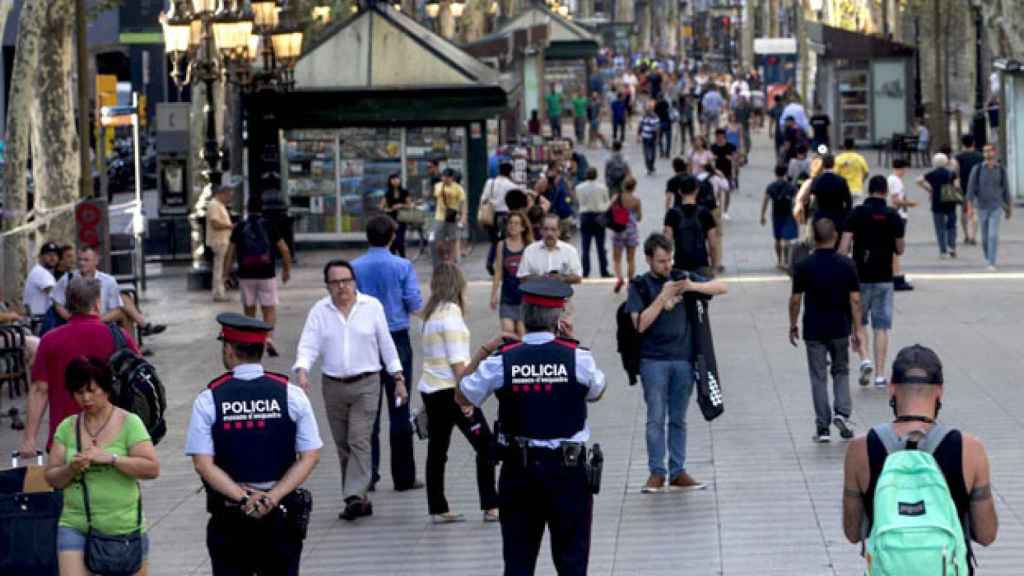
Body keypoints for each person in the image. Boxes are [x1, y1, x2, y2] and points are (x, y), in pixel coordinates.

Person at [456, 278, 606, 576]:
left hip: (519, 473)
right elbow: (596, 391)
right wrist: (569, 344)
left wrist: (485, 350)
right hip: (567, 473)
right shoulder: (578, 358)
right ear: (559, 318)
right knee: (572, 562)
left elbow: (461, 395)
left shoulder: (503, 360)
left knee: (519, 562)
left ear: (523, 315)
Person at [842, 345, 998, 573]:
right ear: (939, 392)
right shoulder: (971, 449)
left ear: (892, 389)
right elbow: (986, 535)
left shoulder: (859, 449)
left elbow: (853, 532)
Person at [186, 313, 322, 575]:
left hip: (230, 517)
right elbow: (310, 456)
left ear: (228, 349)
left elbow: (203, 464)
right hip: (280, 515)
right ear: (262, 348)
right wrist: (272, 496)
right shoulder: (291, 394)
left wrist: (244, 498)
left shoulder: (209, 398)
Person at [293, 260, 403, 521]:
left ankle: (352, 495)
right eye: (335, 282)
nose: (342, 286)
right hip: (333, 385)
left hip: (367, 383)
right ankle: (360, 499)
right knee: (343, 444)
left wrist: (397, 375)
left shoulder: (371, 307)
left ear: (354, 282)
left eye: (346, 280)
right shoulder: (320, 311)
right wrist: (302, 370)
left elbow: (386, 344)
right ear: (328, 286)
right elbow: (309, 344)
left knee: (359, 439)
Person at [628, 233, 727, 493]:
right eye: (661, 261)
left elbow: (721, 287)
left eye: (669, 259)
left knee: (679, 418)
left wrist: (691, 287)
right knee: (655, 418)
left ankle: (678, 469)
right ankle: (656, 472)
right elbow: (639, 324)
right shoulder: (640, 285)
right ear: (648, 259)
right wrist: (662, 298)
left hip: (683, 360)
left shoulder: (682, 277)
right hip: (653, 362)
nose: (667, 266)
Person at [45, 356, 160, 576]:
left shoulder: (130, 422)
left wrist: (113, 458)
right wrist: (71, 468)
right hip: (75, 522)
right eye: (79, 393)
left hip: (123, 527)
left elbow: (151, 468)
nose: (86, 398)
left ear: (106, 389)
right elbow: (51, 477)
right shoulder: (67, 427)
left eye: (92, 391)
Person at [18, 277, 140, 458]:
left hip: (66, 443)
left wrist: (29, 439)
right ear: (97, 304)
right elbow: (139, 379)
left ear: (68, 306)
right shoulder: (118, 337)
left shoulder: (50, 340)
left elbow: (39, 390)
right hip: (115, 441)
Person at [419, 263, 500, 524]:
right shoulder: (451, 315)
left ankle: (437, 507)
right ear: (458, 286)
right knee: (486, 445)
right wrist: (466, 398)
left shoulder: (430, 315)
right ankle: (491, 505)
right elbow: (458, 363)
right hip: (452, 391)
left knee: (437, 450)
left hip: (431, 390)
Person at [352, 216, 424, 493]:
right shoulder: (403, 265)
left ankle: (368, 474)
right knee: (399, 405)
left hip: (365, 340)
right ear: (393, 237)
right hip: (396, 338)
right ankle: (404, 476)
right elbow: (414, 301)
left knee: (367, 408)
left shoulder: (355, 268)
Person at [789, 218, 865, 443]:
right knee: (841, 371)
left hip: (813, 329)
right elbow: (855, 299)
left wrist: (793, 324)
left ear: (814, 236)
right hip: (840, 328)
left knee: (818, 376)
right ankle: (842, 413)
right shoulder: (847, 265)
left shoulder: (804, 265)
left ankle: (822, 428)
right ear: (835, 237)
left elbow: (795, 299)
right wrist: (857, 329)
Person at [840, 176, 905, 387]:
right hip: (884, 278)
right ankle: (879, 375)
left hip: (859, 277)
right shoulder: (893, 215)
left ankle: (865, 358)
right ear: (885, 192)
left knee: (858, 322)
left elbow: (844, 247)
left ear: (869, 191)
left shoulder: (857, 213)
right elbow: (900, 249)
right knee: (881, 327)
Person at [51, 246, 165, 345]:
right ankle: (134, 346)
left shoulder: (108, 281)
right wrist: (69, 318)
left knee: (125, 308)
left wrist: (97, 320)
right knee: (125, 308)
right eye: (80, 259)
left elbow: (115, 309)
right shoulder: (68, 278)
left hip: (101, 319)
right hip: (76, 321)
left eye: (86, 260)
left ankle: (131, 349)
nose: (81, 263)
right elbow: (57, 303)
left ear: (96, 261)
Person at [225, 195, 292, 357]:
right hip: (266, 274)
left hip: (246, 274)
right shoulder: (269, 225)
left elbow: (230, 252)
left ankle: (251, 340)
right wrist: (286, 270)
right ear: (262, 208)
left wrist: (225, 273)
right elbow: (284, 249)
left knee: (249, 310)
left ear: (247, 209)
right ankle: (267, 339)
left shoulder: (240, 227)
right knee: (268, 309)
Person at [966, 143, 1013, 270]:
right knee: (985, 237)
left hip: (996, 206)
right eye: (984, 151)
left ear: (994, 152)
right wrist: (969, 208)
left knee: (993, 235)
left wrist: (1009, 208)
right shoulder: (977, 169)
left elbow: (1006, 190)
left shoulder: (1001, 169)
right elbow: (970, 190)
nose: (987, 154)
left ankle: (991, 262)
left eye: (989, 151)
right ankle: (988, 257)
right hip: (982, 207)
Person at [663, 174, 717, 276]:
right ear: (696, 191)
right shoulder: (705, 213)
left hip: (680, 264)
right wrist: (713, 267)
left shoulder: (672, 213)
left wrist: (667, 265)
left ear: (679, 192)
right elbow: (713, 244)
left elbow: (667, 241)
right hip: (701, 264)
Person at [491, 211, 533, 338]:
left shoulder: (529, 246)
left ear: (523, 227)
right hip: (507, 297)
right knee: (508, 332)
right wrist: (494, 294)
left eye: (516, 223)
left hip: (524, 298)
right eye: (510, 223)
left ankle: (521, 358)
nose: (512, 226)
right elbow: (498, 271)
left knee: (522, 333)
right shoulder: (501, 245)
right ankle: (510, 356)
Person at [518, 213, 583, 287]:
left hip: (562, 297)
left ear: (559, 231)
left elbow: (578, 278)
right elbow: (522, 277)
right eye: (546, 229)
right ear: (540, 231)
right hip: (536, 296)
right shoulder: (530, 250)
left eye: (553, 229)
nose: (549, 233)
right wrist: (541, 278)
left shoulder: (570, 251)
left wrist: (561, 278)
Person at [917, 153, 960, 258]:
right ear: (946, 162)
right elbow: (957, 186)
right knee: (951, 226)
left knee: (939, 228)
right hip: (950, 201)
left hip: (937, 202)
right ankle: (952, 247)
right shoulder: (951, 173)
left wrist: (929, 189)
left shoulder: (931, 174)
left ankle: (943, 251)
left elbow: (918, 180)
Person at [575, 167, 612, 279]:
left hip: (585, 216)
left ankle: (585, 271)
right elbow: (607, 202)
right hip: (599, 217)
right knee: (600, 246)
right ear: (596, 175)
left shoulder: (579, 188)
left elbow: (578, 201)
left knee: (585, 246)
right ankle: (604, 271)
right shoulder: (603, 187)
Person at [761, 165, 799, 270]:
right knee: (786, 239)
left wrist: (762, 215)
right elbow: (796, 201)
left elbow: (765, 201)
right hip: (788, 214)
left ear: (775, 173)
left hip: (776, 215)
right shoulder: (791, 186)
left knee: (777, 239)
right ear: (785, 173)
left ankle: (779, 261)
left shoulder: (771, 186)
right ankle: (786, 261)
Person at [887, 159, 916, 291]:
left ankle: (894, 273)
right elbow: (896, 200)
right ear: (903, 168)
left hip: (895, 214)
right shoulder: (896, 181)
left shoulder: (891, 179)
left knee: (893, 247)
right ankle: (896, 275)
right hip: (898, 215)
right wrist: (910, 203)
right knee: (895, 248)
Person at [808, 154, 853, 237]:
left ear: (823, 164)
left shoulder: (816, 180)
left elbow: (811, 199)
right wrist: (845, 214)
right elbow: (848, 201)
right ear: (834, 164)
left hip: (821, 217)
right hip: (837, 217)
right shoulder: (841, 181)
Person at [611, 176, 643, 294]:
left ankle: (619, 279)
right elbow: (639, 217)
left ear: (623, 185)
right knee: (631, 259)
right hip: (631, 231)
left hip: (619, 230)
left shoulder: (616, 198)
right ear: (634, 187)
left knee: (617, 259)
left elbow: (611, 212)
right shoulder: (636, 200)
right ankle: (630, 283)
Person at [207, 181, 235, 302]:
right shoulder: (214, 205)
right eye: (229, 195)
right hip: (219, 241)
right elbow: (215, 223)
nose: (229, 198)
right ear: (222, 194)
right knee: (219, 267)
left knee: (221, 267)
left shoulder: (220, 205)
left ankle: (220, 291)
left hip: (224, 240)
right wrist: (230, 226)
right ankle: (218, 293)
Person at [434, 167, 468, 262]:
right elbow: (438, 194)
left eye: (448, 177)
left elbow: (463, 203)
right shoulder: (438, 186)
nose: (445, 178)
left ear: (452, 178)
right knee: (439, 242)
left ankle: (451, 262)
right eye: (444, 176)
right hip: (440, 217)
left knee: (453, 240)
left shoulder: (458, 188)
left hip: (452, 217)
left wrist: (463, 217)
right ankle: (443, 258)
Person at [956, 134, 984, 246]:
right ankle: (973, 236)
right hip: (977, 186)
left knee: (964, 211)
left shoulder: (958, 157)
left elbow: (956, 172)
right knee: (974, 211)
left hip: (964, 186)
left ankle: (966, 235)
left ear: (963, 143)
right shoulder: (980, 156)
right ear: (973, 143)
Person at [23, 241, 60, 321]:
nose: (53, 257)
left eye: (55, 255)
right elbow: (57, 297)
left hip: (37, 318)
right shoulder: (41, 273)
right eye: (49, 254)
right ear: (40, 256)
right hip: (40, 320)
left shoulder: (38, 271)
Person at [381, 173, 412, 258]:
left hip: (402, 218)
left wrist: (401, 205)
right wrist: (389, 209)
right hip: (391, 218)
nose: (395, 181)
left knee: (400, 240)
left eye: (396, 179)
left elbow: (409, 205)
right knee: (392, 241)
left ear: (399, 180)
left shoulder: (404, 192)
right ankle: (393, 259)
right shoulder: (387, 193)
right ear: (390, 181)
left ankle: (403, 258)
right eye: (393, 179)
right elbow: (382, 207)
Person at [710, 128, 738, 219]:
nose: (718, 138)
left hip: (728, 172)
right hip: (716, 173)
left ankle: (725, 212)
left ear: (724, 136)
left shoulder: (730, 146)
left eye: (720, 137)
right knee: (716, 192)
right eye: (717, 137)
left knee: (727, 192)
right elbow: (709, 159)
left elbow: (736, 158)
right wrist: (712, 158)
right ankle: (718, 210)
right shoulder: (713, 147)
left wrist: (732, 158)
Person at [637, 102, 660, 175]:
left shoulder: (655, 117)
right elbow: (640, 126)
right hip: (645, 137)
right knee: (646, 153)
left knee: (652, 153)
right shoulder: (643, 117)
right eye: (647, 108)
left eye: (649, 108)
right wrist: (638, 136)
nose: (647, 110)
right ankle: (648, 167)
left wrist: (657, 138)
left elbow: (657, 129)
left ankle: (651, 165)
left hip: (652, 137)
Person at [676, 90, 695, 155]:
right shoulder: (686, 104)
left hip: (685, 121)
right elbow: (692, 109)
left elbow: (678, 112)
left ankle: (683, 149)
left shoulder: (680, 105)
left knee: (685, 135)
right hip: (688, 120)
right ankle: (685, 149)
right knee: (690, 135)